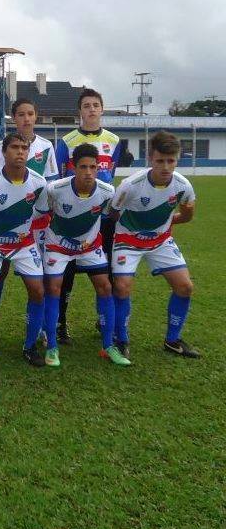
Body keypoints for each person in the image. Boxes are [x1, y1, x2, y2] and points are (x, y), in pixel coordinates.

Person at [109, 131, 200, 359]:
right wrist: (134, 229)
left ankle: (172, 340)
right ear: (150, 159)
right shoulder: (130, 185)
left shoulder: (183, 186)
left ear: (177, 160)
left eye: (171, 161)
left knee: (185, 287)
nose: (166, 167)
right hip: (128, 241)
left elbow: (187, 216)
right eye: (160, 161)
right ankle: (121, 339)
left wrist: (164, 223)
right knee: (122, 287)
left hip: (160, 241)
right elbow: (113, 213)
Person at [42, 144, 129, 367]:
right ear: (73, 167)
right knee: (53, 288)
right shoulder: (55, 189)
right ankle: (51, 346)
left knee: (105, 286)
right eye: (83, 167)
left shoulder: (107, 191)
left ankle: (108, 346)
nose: (88, 172)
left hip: (89, 246)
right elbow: (47, 212)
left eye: (93, 167)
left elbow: (109, 215)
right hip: (58, 245)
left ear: (98, 168)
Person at [0, 132, 49, 368]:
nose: (20, 152)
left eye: (24, 148)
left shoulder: (39, 183)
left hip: (23, 243)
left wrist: (20, 227)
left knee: (38, 291)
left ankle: (30, 346)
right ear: (4, 152)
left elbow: (41, 211)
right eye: (15, 147)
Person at [54, 88, 123, 344]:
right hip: (74, 216)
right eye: (86, 105)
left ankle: (103, 320)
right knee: (67, 272)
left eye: (95, 105)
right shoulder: (67, 141)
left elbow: (110, 174)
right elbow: (61, 176)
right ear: (80, 111)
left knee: (107, 271)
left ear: (102, 109)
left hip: (104, 218)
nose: (91, 109)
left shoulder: (114, 140)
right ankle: (61, 323)